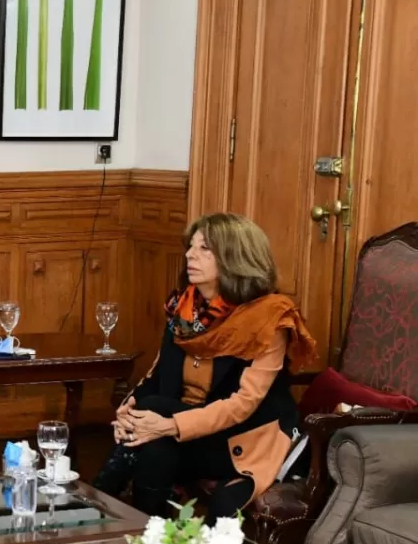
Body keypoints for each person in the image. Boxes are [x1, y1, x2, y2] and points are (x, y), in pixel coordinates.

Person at [91, 212, 316, 519]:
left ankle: (95, 507)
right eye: (191, 246)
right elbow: (156, 374)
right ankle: (143, 536)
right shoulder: (185, 309)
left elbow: (243, 404)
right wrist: (129, 410)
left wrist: (170, 424)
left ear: (235, 257)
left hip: (243, 435)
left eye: (204, 249)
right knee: (155, 443)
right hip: (191, 431)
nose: (189, 255)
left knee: (156, 417)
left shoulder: (268, 318)